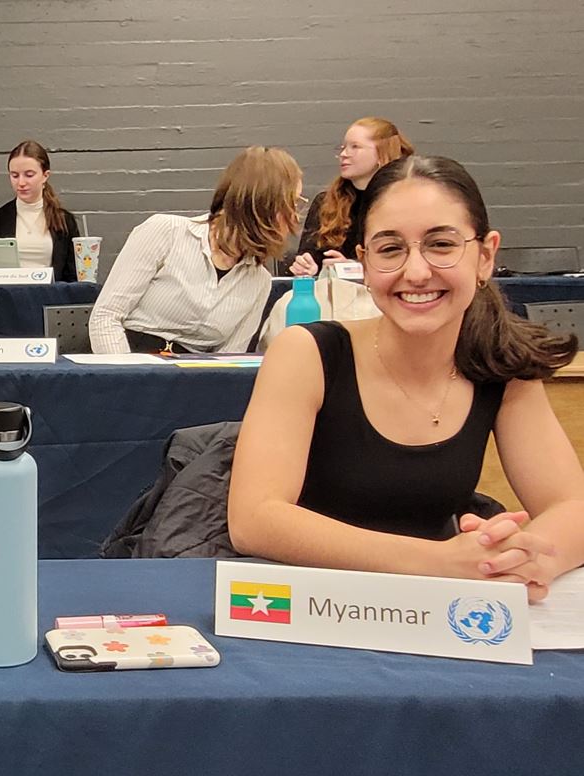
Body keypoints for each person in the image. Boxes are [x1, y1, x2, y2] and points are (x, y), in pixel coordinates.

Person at [230, 155, 584, 601]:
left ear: (486, 256)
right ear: (363, 261)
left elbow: (572, 508)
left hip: (432, 615)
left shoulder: (501, 367)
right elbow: (254, 520)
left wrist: (523, 558)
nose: (416, 272)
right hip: (307, 609)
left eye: (441, 245)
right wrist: (437, 562)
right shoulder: (307, 353)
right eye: (391, 249)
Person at [89, 146, 303, 354]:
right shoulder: (165, 231)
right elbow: (106, 317)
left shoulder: (259, 281)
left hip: (193, 380)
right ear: (261, 205)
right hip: (129, 363)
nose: (296, 217)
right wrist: (129, 381)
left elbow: (229, 360)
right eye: (292, 203)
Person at [290, 117, 414, 276]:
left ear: (381, 154)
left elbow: (407, 262)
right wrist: (308, 267)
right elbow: (309, 255)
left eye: (355, 147)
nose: (343, 154)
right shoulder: (325, 202)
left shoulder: (403, 203)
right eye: (343, 147)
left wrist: (352, 269)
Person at [0, 140, 81, 281]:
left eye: (29, 175)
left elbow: (72, 275)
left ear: (45, 175)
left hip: (50, 298)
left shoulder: (65, 221)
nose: (21, 183)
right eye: (14, 175)